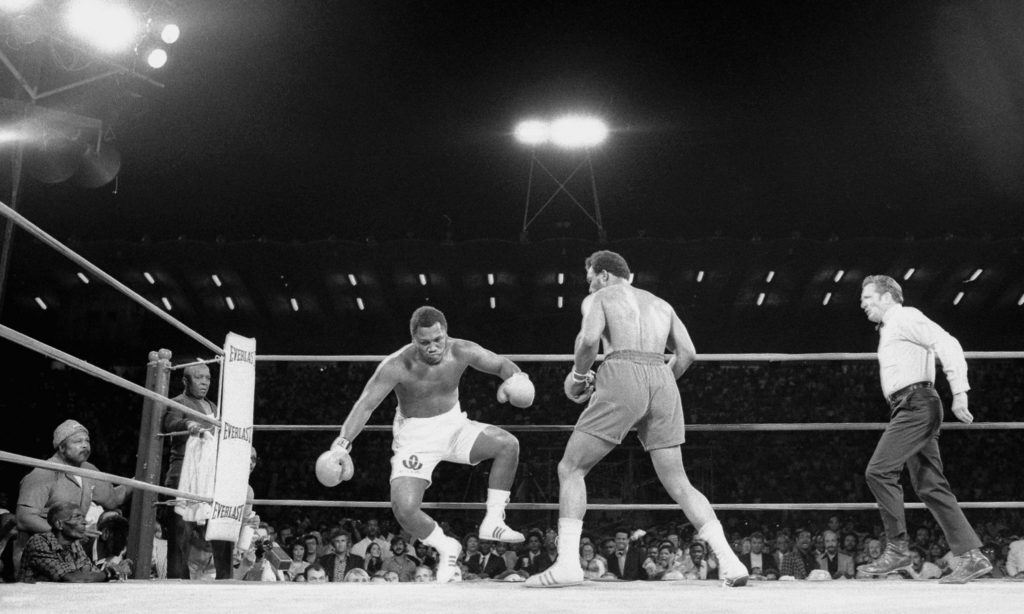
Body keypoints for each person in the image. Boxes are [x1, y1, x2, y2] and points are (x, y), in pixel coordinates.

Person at [525, 250, 748, 588]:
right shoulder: (661, 303)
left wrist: (578, 376)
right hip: (662, 377)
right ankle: (731, 563)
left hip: (621, 371)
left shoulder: (601, 297)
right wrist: (658, 383)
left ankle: (568, 564)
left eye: (589, 279)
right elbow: (688, 353)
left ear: (602, 275)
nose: (588, 287)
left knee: (571, 468)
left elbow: (588, 340)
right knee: (680, 483)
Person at [317, 306, 534, 582]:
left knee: (508, 445)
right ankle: (446, 546)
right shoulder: (396, 365)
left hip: (455, 426)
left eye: (438, 340)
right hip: (416, 438)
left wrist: (517, 379)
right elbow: (366, 404)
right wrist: (342, 444)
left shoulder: (461, 350)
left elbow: (501, 364)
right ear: (413, 340)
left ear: (446, 334)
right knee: (403, 508)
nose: (433, 347)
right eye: (425, 343)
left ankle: (493, 521)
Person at [857, 275, 992, 584]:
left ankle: (898, 548)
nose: (863, 304)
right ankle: (972, 557)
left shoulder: (905, 316)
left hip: (916, 405)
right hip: (911, 406)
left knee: (878, 471)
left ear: (888, 297)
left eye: (868, 298)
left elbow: (948, 343)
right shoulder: (892, 326)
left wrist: (960, 392)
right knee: (930, 485)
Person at [15, 420, 129, 576]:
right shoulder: (42, 473)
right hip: (42, 549)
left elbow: (113, 499)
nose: (85, 445)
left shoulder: (88, 470)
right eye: (78, 441)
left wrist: (139, 481)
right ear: (61, 447)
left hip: (73, 548)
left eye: (87, 441)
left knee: (114, 523)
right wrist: (69, 531)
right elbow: (24, 518)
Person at [160, 362, 218, 579]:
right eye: (199, 377)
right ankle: (176, 581)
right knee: (180, 533)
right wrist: (188, 425)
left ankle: (211, 578)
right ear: (186, 380)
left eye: (208, 378)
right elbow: (171, 423)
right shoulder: (178, 402)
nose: (204, 382)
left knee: (209, 533)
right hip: (183, 472)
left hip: (208, 475)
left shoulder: (213, 406)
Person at [19, 502, 132, 582]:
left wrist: (118, 569)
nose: (84, 522)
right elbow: (74, 578)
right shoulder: (40, 542)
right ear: (59, 524)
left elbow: (89, 574)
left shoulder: (75, 545)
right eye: (77, 517)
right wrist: (110, 572)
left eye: (83, 517)